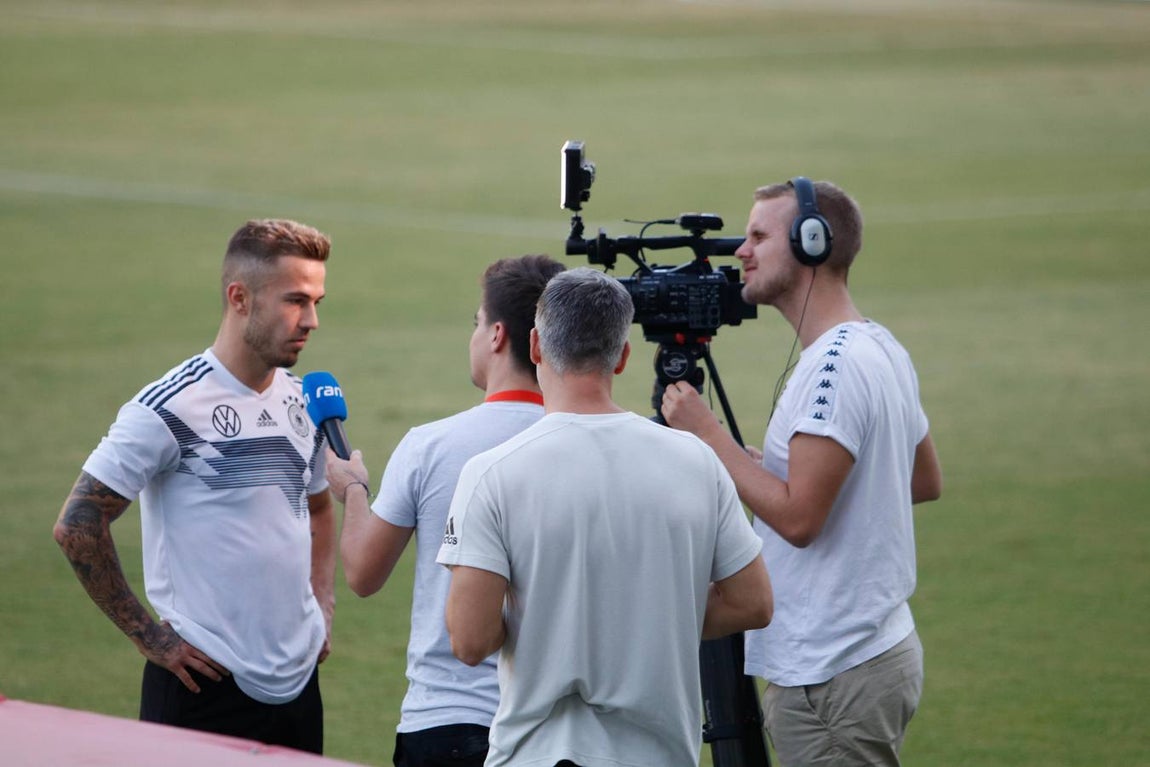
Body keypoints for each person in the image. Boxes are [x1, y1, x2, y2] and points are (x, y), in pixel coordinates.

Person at [437, 267, 774, 767]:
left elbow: (469, 640)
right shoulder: (696, 461)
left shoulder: (492, 474)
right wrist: (654, 617)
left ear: (535, 346)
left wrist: (561, 623)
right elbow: (753, 604)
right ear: (622, 356)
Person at [660, 178, 944, 767]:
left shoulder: (832, 370)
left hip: (833, 671)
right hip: (870, 653)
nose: (741, 250)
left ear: (812, 243)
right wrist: (775, 467)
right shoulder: (879, 346)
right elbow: (918, 478)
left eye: (760, 235)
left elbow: (799, 518)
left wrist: (706, 434)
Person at [52, 219, 337, 754]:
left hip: (299, 684)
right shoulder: (169, 407)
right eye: (296, 300)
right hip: (201, 684)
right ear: (239, 298)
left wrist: (323, 604)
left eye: (318, 300)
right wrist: (151, 638)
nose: (312, 320)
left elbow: (319, 508)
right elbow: (77, 525)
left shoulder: (305, 400)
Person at [324, 254, 566, 767]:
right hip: (561, 729)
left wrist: (354, 492)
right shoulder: (586, 441)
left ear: (497, 334)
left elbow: (364, 573)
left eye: (476, 323)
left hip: (447, 721)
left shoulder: (430, 445)